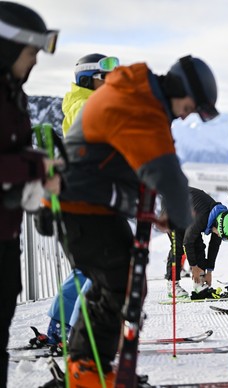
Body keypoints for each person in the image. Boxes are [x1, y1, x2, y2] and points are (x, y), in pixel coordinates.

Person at [50, 54, 220, 387]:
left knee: (122, 284)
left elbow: (153, 157)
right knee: (121, 284)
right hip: (81, 205)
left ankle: (87, 366)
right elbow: (165, 168)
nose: (187, 116)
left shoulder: (144, 97)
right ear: (180, 90)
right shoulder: (140, 103)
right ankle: (85, 369)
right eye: (190, 107)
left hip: (92, 204)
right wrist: (180, 216)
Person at [28, 53, 121, 350]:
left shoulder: (85, 103)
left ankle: (64, 324)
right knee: (96, 267)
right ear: (87, 79)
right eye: (103, 79)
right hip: (87, 199)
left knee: (89, 268)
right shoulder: (85, 105)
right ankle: (69, 328)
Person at [0, 2, 59, 386]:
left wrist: (38, 162)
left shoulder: (12, 93)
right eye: (31, 52)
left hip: (5, 234)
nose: (35, 61)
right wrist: (38, 167)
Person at [164, 186, 228, 299]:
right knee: (178, 247)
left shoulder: (221, 219)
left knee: (198, 245)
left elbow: (214, 246)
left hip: (188, 212)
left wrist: (209, 271)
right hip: (172, 209)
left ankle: (199, 283)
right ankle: (172, 286)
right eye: (219, 234)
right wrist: (193, 266)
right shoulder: (203, 217)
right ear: (217, 226)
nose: (219, 236)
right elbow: (187, 242)